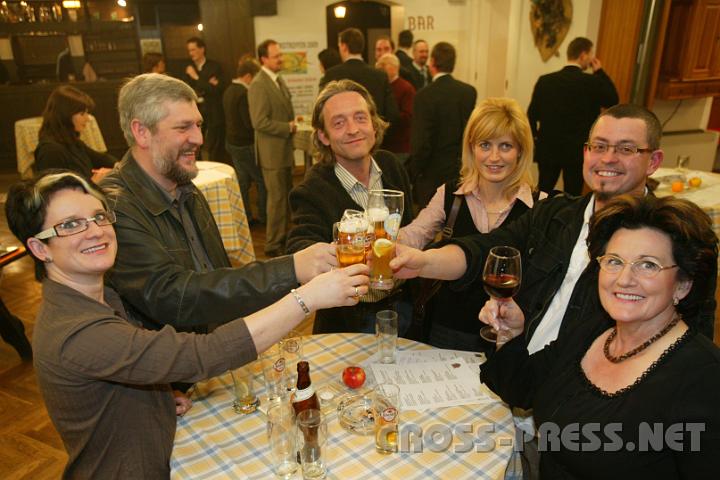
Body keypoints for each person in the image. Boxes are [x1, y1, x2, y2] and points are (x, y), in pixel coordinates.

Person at [6, 171, 369, 478]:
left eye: (100, 216)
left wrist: (156, 398)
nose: (95, 231)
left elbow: (133, 360)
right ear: (40, 249)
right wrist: (306, 298)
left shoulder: (99, 296)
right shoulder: (76, 331)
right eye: (70, 225)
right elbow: (202, 355)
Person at [392, 103, 716, 346]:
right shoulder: (555, 213)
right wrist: (421, 261)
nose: (608, 159)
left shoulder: (680, 238)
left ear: (654, 161)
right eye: (599, 146)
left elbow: (692, 341)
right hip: (522, 380)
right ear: (586, 153)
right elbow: (484, 249)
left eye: (626, 149)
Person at [479, 194, 720, 478]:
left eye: (648, 265)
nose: (624, 279)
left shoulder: (704, 378)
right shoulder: (592, 331)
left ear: (683, 284)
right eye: (615, 261)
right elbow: (522, 388)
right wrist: (511, 333)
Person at [100, 73, 337, 334]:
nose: (199, 139)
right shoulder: (114, 208)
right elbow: (173, 297)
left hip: (216, 350)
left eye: (198, 125)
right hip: (175, 366)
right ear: (141, 132)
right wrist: (290, 268)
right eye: (183, 127)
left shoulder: (184, 188)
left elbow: (215, 274)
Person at [399, 97, 543, 351]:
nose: (494, 157)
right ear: (471, 148)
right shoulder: (450, 195)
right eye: (485, 145)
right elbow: (416, 233)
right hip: (446, 328)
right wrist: (383, 240)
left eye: (506, 146)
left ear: (521, 150)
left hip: (508, 335)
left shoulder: (540, 205)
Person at [286, 80, 415, 335]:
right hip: (349, 320)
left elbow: (410, 228)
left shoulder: (391, 166)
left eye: (360, 117)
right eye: (339, 122)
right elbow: (300, 249)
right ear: (323, 136)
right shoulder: (311, 190)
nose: (353, 129)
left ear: (374, 125)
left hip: (406, 309)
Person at [528, 36, 619, 195]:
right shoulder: (592, 82)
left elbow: (532, 114)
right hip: (577, 150)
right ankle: (571, 220)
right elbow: (613, 100)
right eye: (591, 55)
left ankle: (537, 219)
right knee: (573, 194)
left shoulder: (545, 81)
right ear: (583, 55)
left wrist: (535, 138)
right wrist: (600, 71)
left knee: (543, 190)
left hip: (549, 147)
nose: (591, 59)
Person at [409, 41, 477, 207]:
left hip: (431, 173)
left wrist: (413, 172)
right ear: (453, 64)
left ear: (432, 62)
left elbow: (422, 142)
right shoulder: (468, 92)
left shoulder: (424, 96)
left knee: (429, 224)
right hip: (461, 169)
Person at [248, 39, 296, 257]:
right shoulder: (259, 84)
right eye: (276, 56)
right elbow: (259, 122)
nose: (281, 59)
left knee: (285, 198)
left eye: (280, 54)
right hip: (272, 154)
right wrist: (288, 126)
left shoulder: (278, 80)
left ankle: (283, 239)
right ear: (263, 59)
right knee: (276, 200)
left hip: (283, 151)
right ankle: (272, 245)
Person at [34, 85, 116, 183]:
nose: (88, 118)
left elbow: (100, 158)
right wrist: (94, 183)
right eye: (82, 114)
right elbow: (55, 193)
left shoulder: (70, 140)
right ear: (65, 115)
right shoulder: (50, 151)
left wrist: (118, 166)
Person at [321, 28, 400, 127]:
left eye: (339, 46)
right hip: (374, 136)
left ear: (344, 47)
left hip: (342, 137)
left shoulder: (331, 75)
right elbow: (392, 115)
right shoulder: (380, 75)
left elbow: (322, 112)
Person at [223, 57, 266, 225]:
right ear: (248, 76)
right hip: (244, 144)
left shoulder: (228, 90)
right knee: (261, 181)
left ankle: (245, 217)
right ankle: (264, 216)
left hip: (232, 142)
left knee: (242, 182)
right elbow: (249, 123)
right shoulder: (243, 93)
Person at [181, 37, 226, 162]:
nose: (191, 53)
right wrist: (207, 83)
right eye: (189, 51)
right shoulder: (188, 68)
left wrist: (195, 77)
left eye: (194, 50)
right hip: (195, 111)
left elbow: (216, 90)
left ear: (202, 49)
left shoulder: (214, 66)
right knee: (195, 143)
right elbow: (187, 90)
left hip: (213, 112)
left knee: (213, 146)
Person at [375, 53, 415, 162]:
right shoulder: (381, 86)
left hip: (399, 146)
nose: (379, 67)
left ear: (394, 67)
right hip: (383, 145)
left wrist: (387, 119)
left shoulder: (406, 88)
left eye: (383, 65)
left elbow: (408, 116)